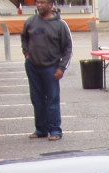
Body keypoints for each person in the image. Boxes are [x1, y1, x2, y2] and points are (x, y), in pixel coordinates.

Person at [22, 0, 72, 141]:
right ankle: (41, 130)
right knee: (37, 99)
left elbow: (68, 48)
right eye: (38, 2)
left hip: (51, 68)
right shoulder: (30, 22)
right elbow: (24, 38)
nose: (39, 5)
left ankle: (55, 130)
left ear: (51, 5)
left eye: (43, 2)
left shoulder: (60, 25)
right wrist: (26, 52)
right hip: (33, 67)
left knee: (52, 100)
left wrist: (62, 67)